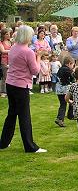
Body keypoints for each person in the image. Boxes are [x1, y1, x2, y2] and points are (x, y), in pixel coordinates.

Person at [0, 25, 46, 153]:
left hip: (11, 83)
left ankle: (3, 142)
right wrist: (38, 56)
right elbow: (35, 71)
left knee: (12, 114)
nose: (32, 37)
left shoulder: (14, 48)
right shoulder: (28, 52)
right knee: (24, 116)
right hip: (21, 86)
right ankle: (30, 146)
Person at [55, 55, 75, 127]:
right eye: (73, 65)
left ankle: (70, 115)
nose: (73, 66)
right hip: (65, 89)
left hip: (59, 89)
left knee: (63, 104)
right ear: (69, 63)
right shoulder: (68, 70)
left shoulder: (60, 69)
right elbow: (73, 78)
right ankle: (60, 118)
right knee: (70, 101)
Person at [0, 28, 12, 98]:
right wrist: (11, 50)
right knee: (5, 76)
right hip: (4, 60)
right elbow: (3, 51)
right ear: (3, 35)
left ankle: (8, 91)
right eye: (7, 34)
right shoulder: (1, 42)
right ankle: (3, 91)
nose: (8, 35)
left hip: (11, 60)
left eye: (9, 34)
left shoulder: (10, 42)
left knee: (10, 76)